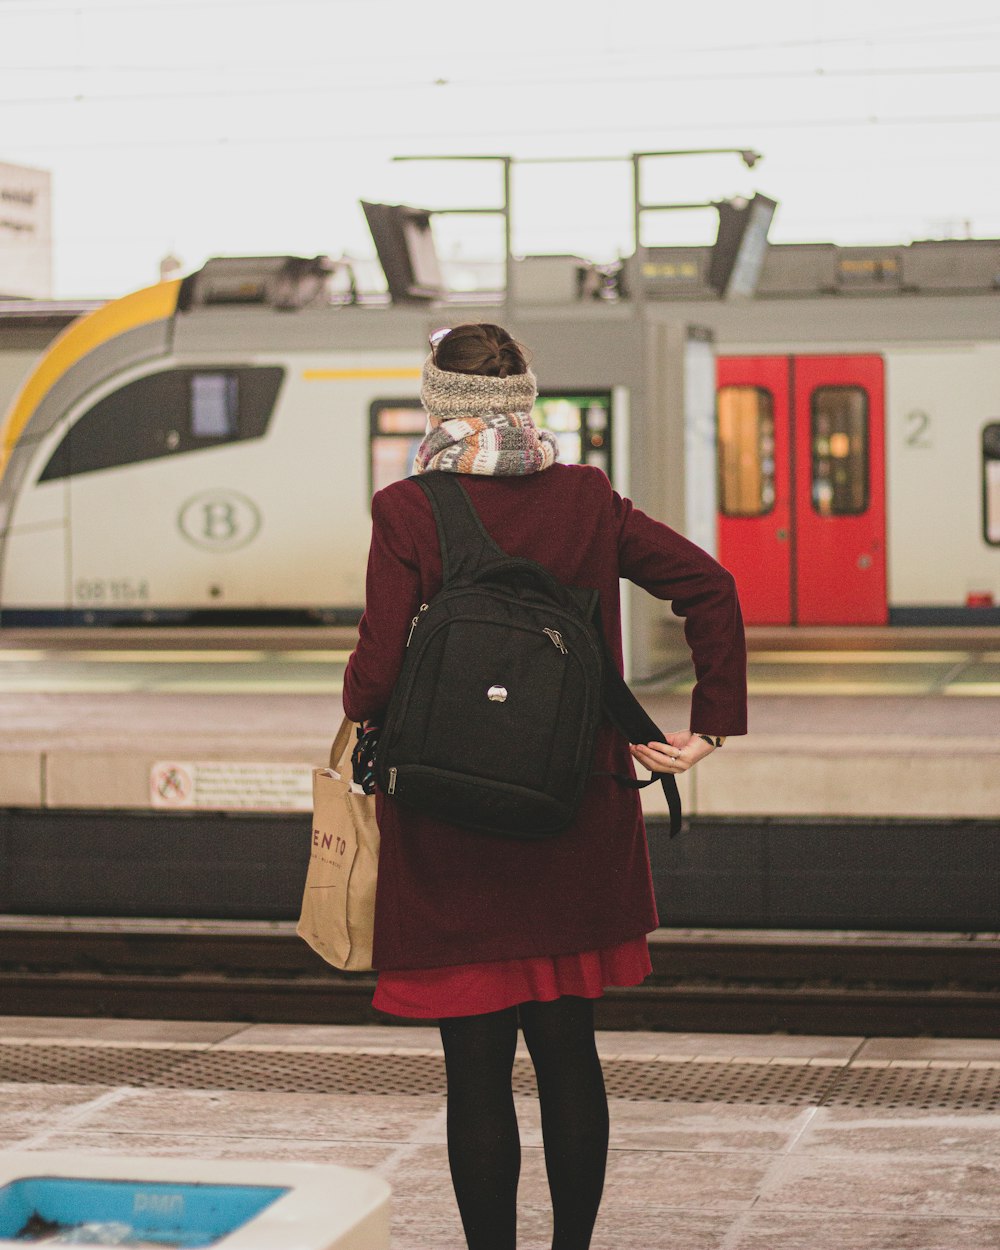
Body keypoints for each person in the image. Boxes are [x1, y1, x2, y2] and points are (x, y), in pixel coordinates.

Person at [342, 323, 747, 1250]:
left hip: (451, 823)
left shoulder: (408, 508)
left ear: (438, 405)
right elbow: (709, 585)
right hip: (574, 812)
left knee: (476, 1070)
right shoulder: (587, 498)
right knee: (569, 1054)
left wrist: (361, 699)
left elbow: (371, 680)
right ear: (527, 400)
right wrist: (711, 721)